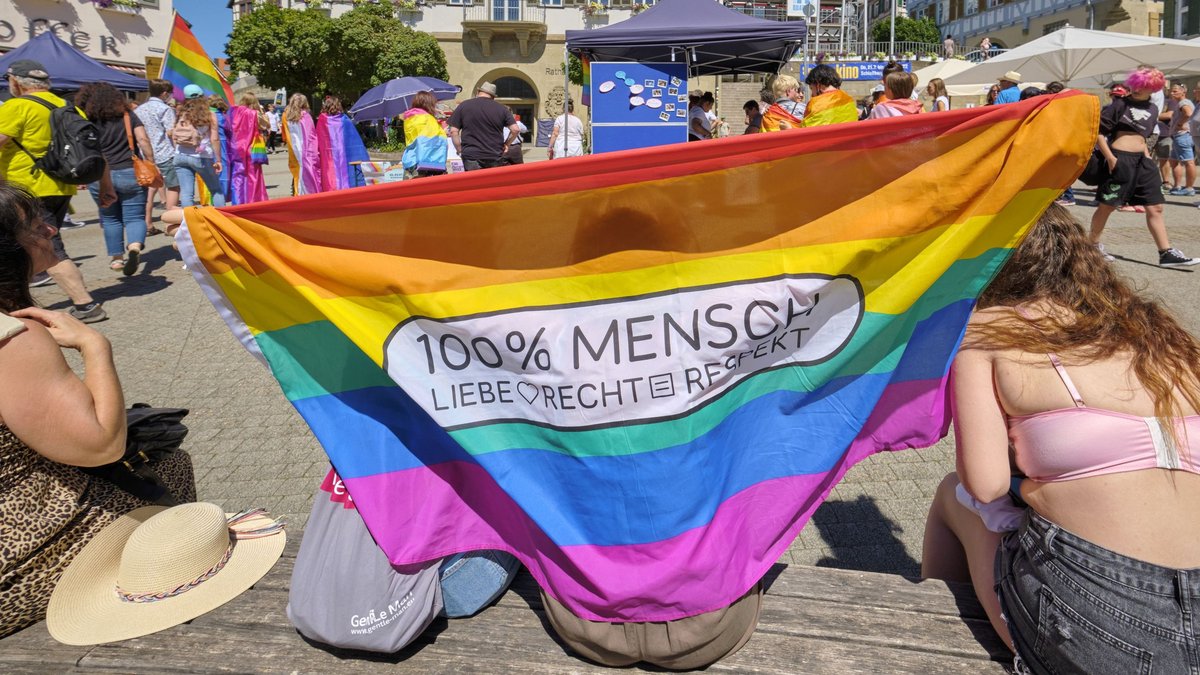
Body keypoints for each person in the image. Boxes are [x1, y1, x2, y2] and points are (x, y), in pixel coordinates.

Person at [921, 202, 1200, 672]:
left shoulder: (987, 332)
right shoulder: (1161, 335)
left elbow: (984, 485)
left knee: (955, 496)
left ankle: (930, 638)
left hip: (1107, 612)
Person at [0, 183, 196, 638]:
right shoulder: (14, 338)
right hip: (17, 553)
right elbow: (101, 445)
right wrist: (94, 347)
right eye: (34, 226)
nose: (51, 229)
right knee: (170, 469)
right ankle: (162, 627)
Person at [0, 59, 107, 323]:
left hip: (26, 188)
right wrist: (106, 186)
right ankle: (17, 303)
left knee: (48, 247)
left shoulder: (16, 106)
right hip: (62, 185)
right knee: (26, 247)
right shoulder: (68, 107)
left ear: (16, 82)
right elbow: (94, 149)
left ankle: (86, 305)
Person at [1090, 68, 1197, 267]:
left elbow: (1144, 138)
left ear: (1153, 89)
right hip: (1120, 159)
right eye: (1136, 85)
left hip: (1143, 161)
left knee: (1156, 207)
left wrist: (1148, 159)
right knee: (1108, 206)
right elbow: (1098, 133)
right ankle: (1092, 246)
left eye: (1144, 87)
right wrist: (1111, 159)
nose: (1138, 89)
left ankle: (1166, 253)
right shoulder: (1118, 105)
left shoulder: (1153, 109)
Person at [76, 83, 155, 276]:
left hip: (99, 174)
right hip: (130, 171)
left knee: (111, 218)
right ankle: (135, 247)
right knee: (135, 216)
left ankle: (117, 259)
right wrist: (151, 162)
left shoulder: (87, 119)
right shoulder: (128, 116)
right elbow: (143, 140)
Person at [135, 78, 180, 235]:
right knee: (173, 187)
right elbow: (171, 132)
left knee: (150, 190)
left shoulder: (139, 109)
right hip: (165, 152)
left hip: (145, 154)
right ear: (165, 93)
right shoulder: (165, 109)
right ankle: (170, 224)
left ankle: (147, 223)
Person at [448, 82, 520, 171]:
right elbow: (515, 129)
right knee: (492, 184)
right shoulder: (502, 109)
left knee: (474, 183)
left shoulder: (464, 105)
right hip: (494, 154)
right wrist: (506, 144)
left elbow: (453, 131)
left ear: (478, 91)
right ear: (493, 96)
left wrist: (459, 150)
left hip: (471, 154)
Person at [172, 88, 225, 208]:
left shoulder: (181, 113)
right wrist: (218, 160)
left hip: (180, 155)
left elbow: (174, 135)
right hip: (201, 157)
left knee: (186, 194)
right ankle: (222, 219)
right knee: (216, 189)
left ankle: (190, 223)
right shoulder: (209, 114)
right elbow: (214, 139)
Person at [315, 96, 369, 191]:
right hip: (344, 154)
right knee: (345, 174)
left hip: (328, 156)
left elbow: (319, 139)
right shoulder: (344, 119)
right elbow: (354, 139)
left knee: (330, 175)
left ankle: (331, 191)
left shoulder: (322, 120)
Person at [227, 93, 269, 204]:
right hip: (251, 148)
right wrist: (261, 113)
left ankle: (238, 202)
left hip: (236, 148)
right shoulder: (254, 114)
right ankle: (254, 200)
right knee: (253, 176)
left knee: (238, 176)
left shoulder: (233, 111)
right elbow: (266, 125)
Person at [400, 90, 448, 179]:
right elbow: (436, 141)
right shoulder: (427, 119)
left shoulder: (410, 118)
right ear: (429, 103)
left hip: (411, 160)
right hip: (428, 163)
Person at [282, 93, 320, 195]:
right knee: (310, 172)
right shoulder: (305, 115)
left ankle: (298, 192)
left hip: (294, 150)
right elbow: (311, 136)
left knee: (298, 173)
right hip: (307, 150)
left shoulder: (287, 116)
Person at [1167, 83, 1195, 196]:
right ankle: (1177, 185)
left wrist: (1179, 124)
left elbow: (1188, 113)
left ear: (1183, 91)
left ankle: (1189, 188)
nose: (1172, 93)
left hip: (1182, 135)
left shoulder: (1184, 103)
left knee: (1188, 162)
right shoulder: (1181, 103)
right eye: (1171, 91)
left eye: (1175, 91)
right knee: (1174, 161)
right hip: (1178, 136)